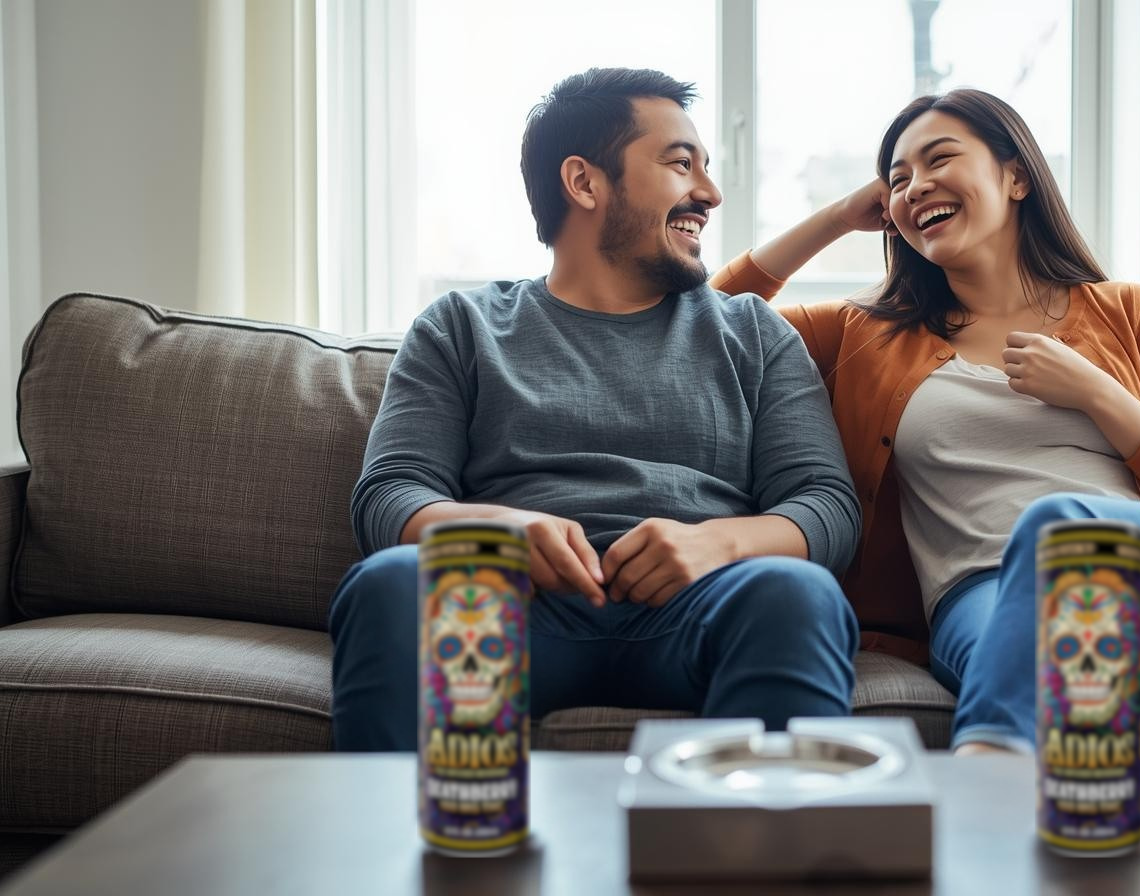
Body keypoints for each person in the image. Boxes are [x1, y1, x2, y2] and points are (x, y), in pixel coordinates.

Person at [711, 89, 1140, 755]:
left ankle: (985, 770)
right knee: (1060, 658)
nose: (916, 187)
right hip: (982, 597)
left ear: (1016, 177)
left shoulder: (1125, 311)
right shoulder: (863, 332)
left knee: (1059, 527)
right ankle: (1051, 791)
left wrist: (1101, 396)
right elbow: (711, 321)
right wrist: (838, 217)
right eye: (898, 180)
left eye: (939, 160)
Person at [329, 68, 862, 751]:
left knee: (796, 595)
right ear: (584, 182)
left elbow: (826, 506)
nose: (709, 193)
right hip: (511, 610)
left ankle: (747, 824)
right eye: (681, 164)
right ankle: (441, 821)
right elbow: (390, 496)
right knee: (391, 586)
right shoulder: (461, 326)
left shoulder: (753, 333)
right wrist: (498, 532)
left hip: (704, 611)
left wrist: (718, 543)